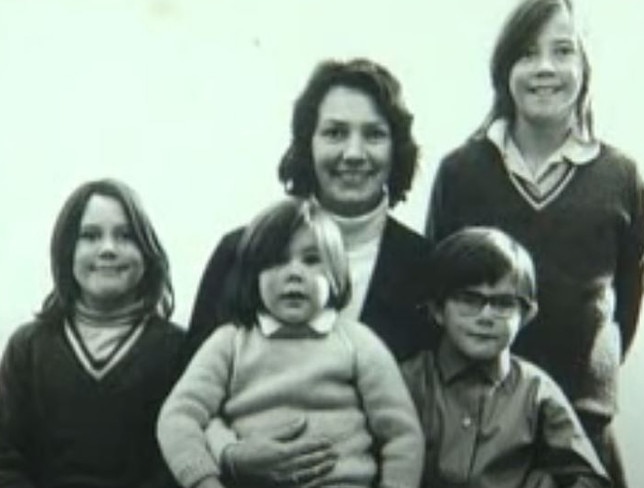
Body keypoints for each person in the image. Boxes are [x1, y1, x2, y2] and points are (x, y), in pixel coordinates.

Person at [425, 1, 644, 486]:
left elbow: (625, 306)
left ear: (584, 68)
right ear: (504, 69)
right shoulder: (461, 172)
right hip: (476, 438)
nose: (545, 68)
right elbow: (435, 293)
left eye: (562, 51)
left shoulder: (621, 177)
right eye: (527, 53)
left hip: (583, 431)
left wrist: (591, 386)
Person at [180, 58, 432, 487]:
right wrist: (231, 454)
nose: (353, 153)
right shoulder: (241, 252)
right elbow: (189, 399)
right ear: (307, 144)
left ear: (396, 150)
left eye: (373, 134)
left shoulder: (427, 268)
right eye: (335, 133)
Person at [157, 198, 424, 488]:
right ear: (252, 275)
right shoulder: (231, 342)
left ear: (335, 273)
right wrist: (204, 480)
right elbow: (178, 416)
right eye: (277, 261)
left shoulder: (357, 342)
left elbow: (402, 435)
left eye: (311, 260)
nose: (294, 273)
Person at [0, 179, 184, 488]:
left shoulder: (178, 349)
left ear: (148, 252)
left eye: (126, 236)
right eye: (90, 236)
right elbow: (5, 456)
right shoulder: (27, 349)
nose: (108, 249)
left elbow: (179, 460)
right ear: (66, 250)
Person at [402, 227, 610, 488]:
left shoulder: (537, 391)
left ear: (526, 315)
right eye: (469, 299)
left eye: (503, 303)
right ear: (437, 310)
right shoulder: (407, 381)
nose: (486, 316)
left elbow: (590, 480)